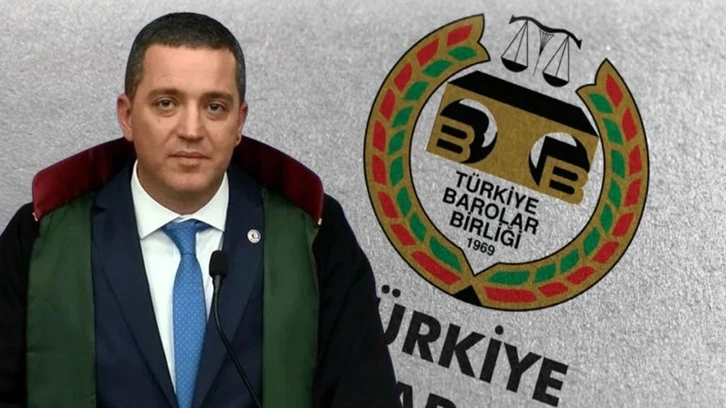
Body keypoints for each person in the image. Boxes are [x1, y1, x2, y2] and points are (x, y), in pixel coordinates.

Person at [0, 12, 402, 408]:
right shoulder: (42, 238)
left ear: (239, 122)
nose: (191, 130)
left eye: (214, 107)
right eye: (166, 103)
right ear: (127, 116)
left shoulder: (311, 235)